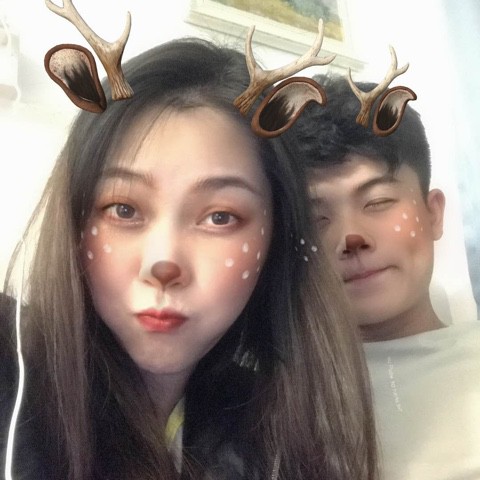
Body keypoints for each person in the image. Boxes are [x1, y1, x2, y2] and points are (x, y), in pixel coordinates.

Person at [0, 37, 379, 480]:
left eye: (220, 217)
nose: (163, 264)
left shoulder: (277, 429)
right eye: (123, 210)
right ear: (75, 217)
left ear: (275, 240)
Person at [285, 72, 480, 479]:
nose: (351, 238)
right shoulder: (266, 398)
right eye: (316, 219)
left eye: (378, 201)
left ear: (433, 214)